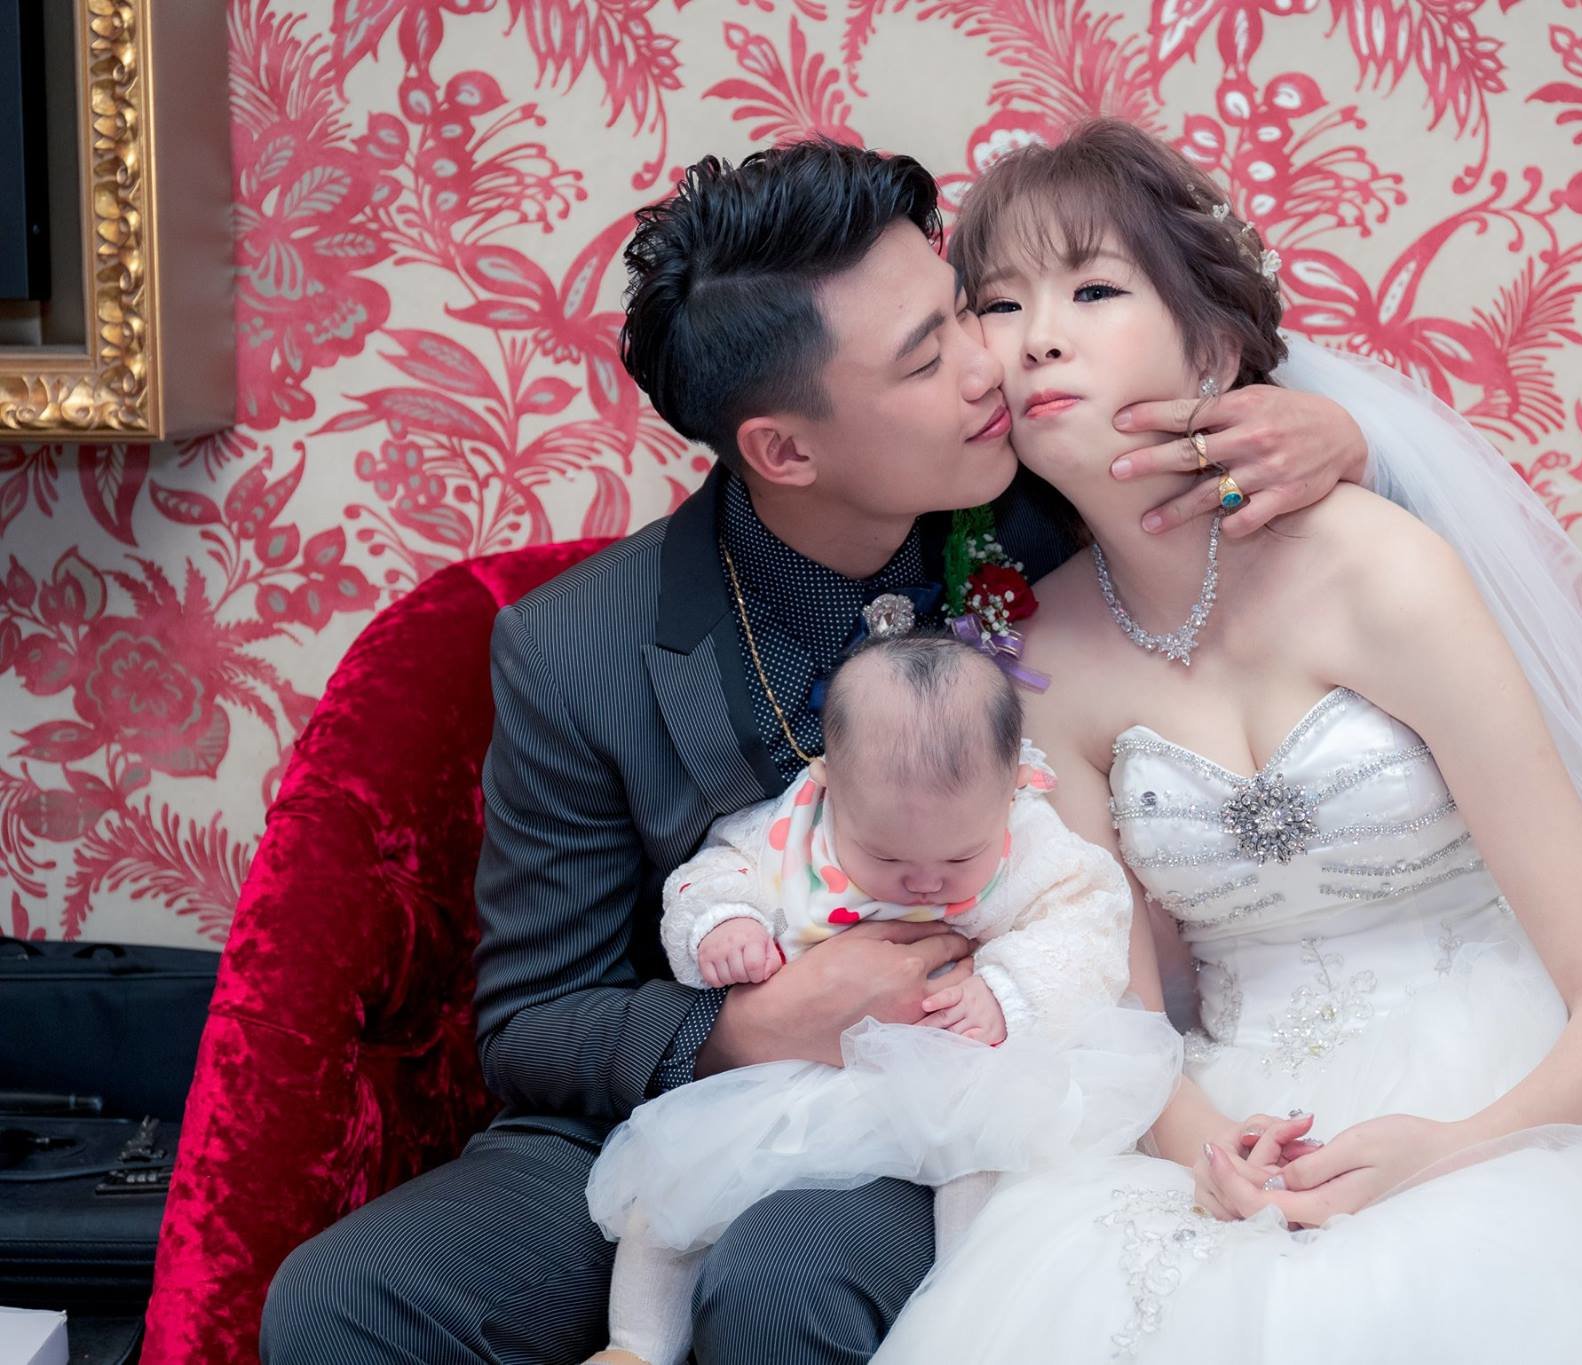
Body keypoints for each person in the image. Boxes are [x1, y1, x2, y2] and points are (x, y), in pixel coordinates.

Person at [868, 119, 1582, 1363]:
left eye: (1093, 290)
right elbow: (1123, 1017)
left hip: (1520, 1066)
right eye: (999, 304)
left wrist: (1453, 1150)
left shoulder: (1380, 573)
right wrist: (1209, 1150)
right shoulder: (1037, 654)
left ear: (1209, 349)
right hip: (1244, 1100)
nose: (1037, 337)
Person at [256, 138, 1373, 1364]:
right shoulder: (575, 650)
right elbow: (530, 1023)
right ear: (783, 450)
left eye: (962, 310)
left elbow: (1248, 496)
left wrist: (1331, 437)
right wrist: (754, 1026)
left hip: (954, 1094)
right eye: (925, 357)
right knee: (343, 1302)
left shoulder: (1048, 501)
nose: (986, 364)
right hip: (667, 1114)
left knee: (785, 1283)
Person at [583, 632, 1180, 1365]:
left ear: (1012, 789)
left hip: (960, 1066)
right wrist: (723, 923)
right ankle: (635, 1345)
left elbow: (1088, 919)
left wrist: (1009, 989)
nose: (925, 881)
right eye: (887, 856)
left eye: (960, 856)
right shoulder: (792, 830)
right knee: (671, 1184)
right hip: (801, 1070)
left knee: (985, 1161)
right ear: (829, 784)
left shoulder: (1029, 841)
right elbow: (711, 872)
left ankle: (966, 1316)